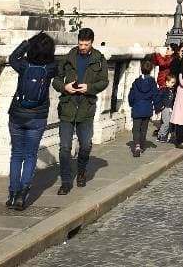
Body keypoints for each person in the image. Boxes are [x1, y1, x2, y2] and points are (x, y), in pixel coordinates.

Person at [53, 26, 109, 194]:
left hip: (86, 108)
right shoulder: (68, 57)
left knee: (85, 145)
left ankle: (82, 172)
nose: (83, 47)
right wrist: (64, 87)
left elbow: (104, 81)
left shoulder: (99, 59)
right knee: (64, 147)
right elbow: (55, 79)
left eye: (86, 44)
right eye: (81, 44)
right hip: (67, 106)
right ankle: (65, 180)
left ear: (92, 42)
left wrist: (89, 87)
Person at [6, 31, 56, 209]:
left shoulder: (24, 65)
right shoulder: (50, 68)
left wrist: (26, 44)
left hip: (17, 115)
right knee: (30, 155)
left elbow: (12, 57)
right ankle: (23, 194)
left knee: (16, 154)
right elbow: (61, 66)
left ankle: (12, 194)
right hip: (38, 117)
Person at [128, 58, 160, 156]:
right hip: (147, 107)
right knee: (144, 128)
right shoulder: (152, 82)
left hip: (137, 107)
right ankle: (141, 145)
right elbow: (155, 95)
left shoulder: (136, 82)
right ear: (150, 70)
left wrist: (132, 104)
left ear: (141, 69)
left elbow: (131, 95)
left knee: (136, 128)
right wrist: (157, 107)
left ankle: (137, 145)